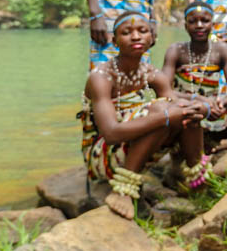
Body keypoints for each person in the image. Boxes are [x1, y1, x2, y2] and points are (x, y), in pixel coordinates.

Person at [78, 11, 209, 220]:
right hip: (103, 154)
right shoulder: (101, 78)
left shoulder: (153, 75)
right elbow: (111, 134)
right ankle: (122, 191)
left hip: (136, 146)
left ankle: (196, 179)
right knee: (162, 111)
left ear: (152, 38)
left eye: (142, 31)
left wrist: (199, 108)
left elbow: (176, 108)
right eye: (126, 32)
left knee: (186, 111)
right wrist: (165, 116)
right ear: (114, 41)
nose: (136, 37)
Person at [161, 1, 227, 149]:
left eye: (205, 20)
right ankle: (184, 145)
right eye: (192, 21)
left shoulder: (221, 50)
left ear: (212, 25)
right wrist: (199, 100)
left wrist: (221, 104)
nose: (199, 25)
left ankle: (214, 141)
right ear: (185, 26)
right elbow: (164, 91)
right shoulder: (176, 50)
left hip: (211, 110)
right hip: (184, 107)